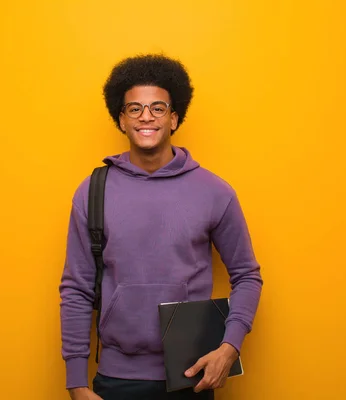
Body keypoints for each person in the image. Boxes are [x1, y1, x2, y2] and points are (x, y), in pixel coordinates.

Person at [59, 54, 263, 400]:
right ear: (121, 120)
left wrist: (230, 347)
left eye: (157, 108)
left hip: (190, 375)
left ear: (174, 117)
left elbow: (247, 275)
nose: (146, 117)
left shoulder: (214, 191)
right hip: (115, 377)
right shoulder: (93, 191)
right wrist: (76, 381)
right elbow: (76, 289)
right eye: (135, 109)